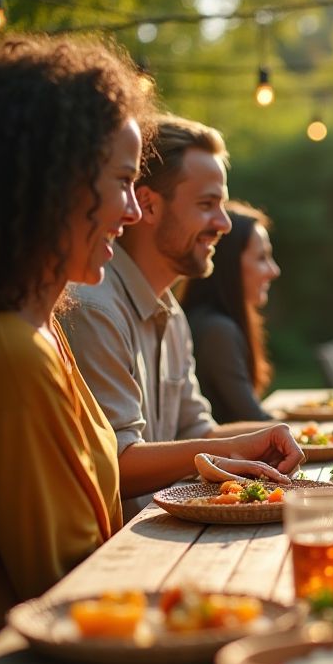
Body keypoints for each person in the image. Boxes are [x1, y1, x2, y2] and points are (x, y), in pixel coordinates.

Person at [0, 35, 153, 664]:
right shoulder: (6, 352)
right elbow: (67, 592)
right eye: (121, 182)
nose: (135, 211)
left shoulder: (36, 328)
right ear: (51, 184)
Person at [61, 115, 303, 519]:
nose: (224, 225)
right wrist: (233, 446)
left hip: (163, 538)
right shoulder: (93, 307)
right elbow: (114, 465)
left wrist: (279, 437)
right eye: (207, 205)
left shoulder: (170, 312)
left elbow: (198, 433)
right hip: (119, 556)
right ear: (149, 205)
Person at [180, 202, 281, 423]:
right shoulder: (217, 330)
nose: (274, 271)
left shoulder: (212, 321)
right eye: (262, 258)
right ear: (230, 264)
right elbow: (256, 422)